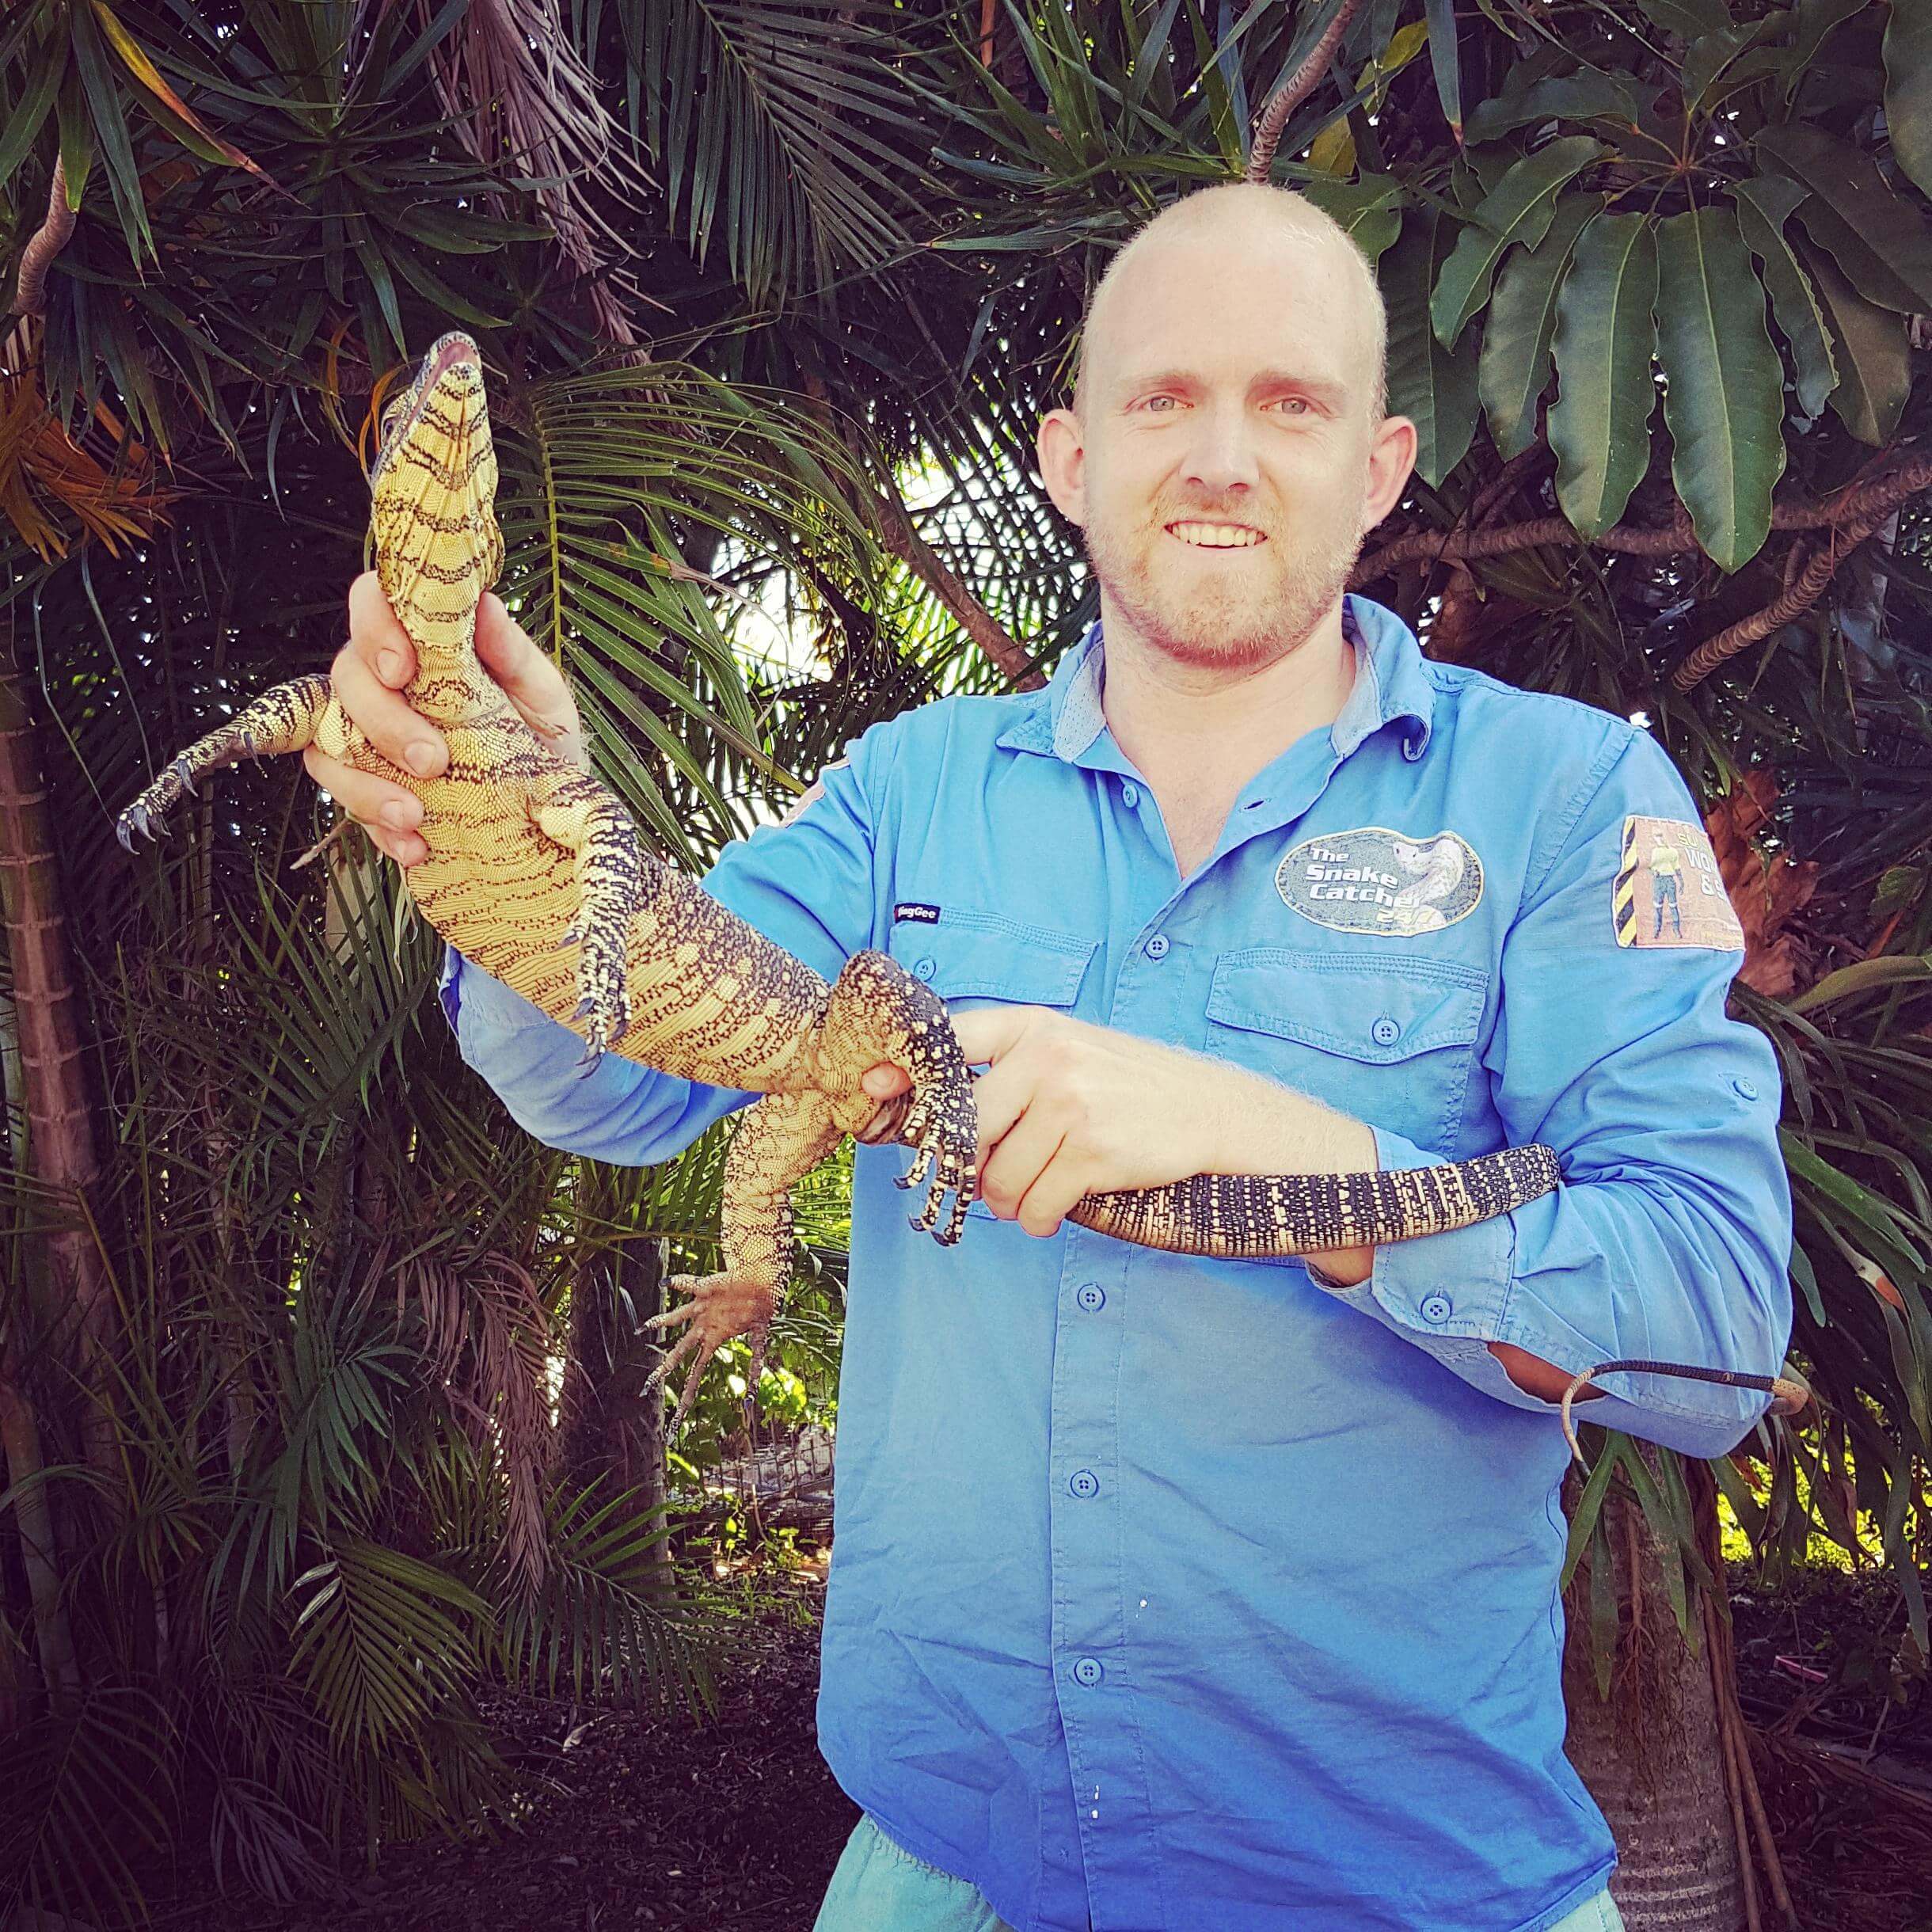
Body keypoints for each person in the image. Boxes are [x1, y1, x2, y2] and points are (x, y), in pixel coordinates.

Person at [306, 184, 1793, 1932]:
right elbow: (612, 1086)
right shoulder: (902, 792)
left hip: (1399, 1888)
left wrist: (1291, 1152)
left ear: (1380, 464)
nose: (1221, 457)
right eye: (1162, 399)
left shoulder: (1560, 798)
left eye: (1289, 403)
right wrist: (512, 837)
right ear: (1066, 458)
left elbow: (1705, 1329)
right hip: (947, 1866)